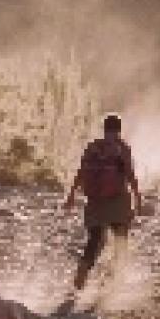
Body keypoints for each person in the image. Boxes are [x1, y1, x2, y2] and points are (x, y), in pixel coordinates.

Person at [64, 114, 143, 290]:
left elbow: (81, 172)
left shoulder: (93, 147)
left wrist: (71, 195)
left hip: (94, 201)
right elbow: (129, 174)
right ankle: (114, 278)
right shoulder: (122, 148)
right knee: (120, 239)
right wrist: (137, 197)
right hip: (117, 200)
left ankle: (82, 271)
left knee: (95, 238)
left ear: (104, 128)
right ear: (119, 129)